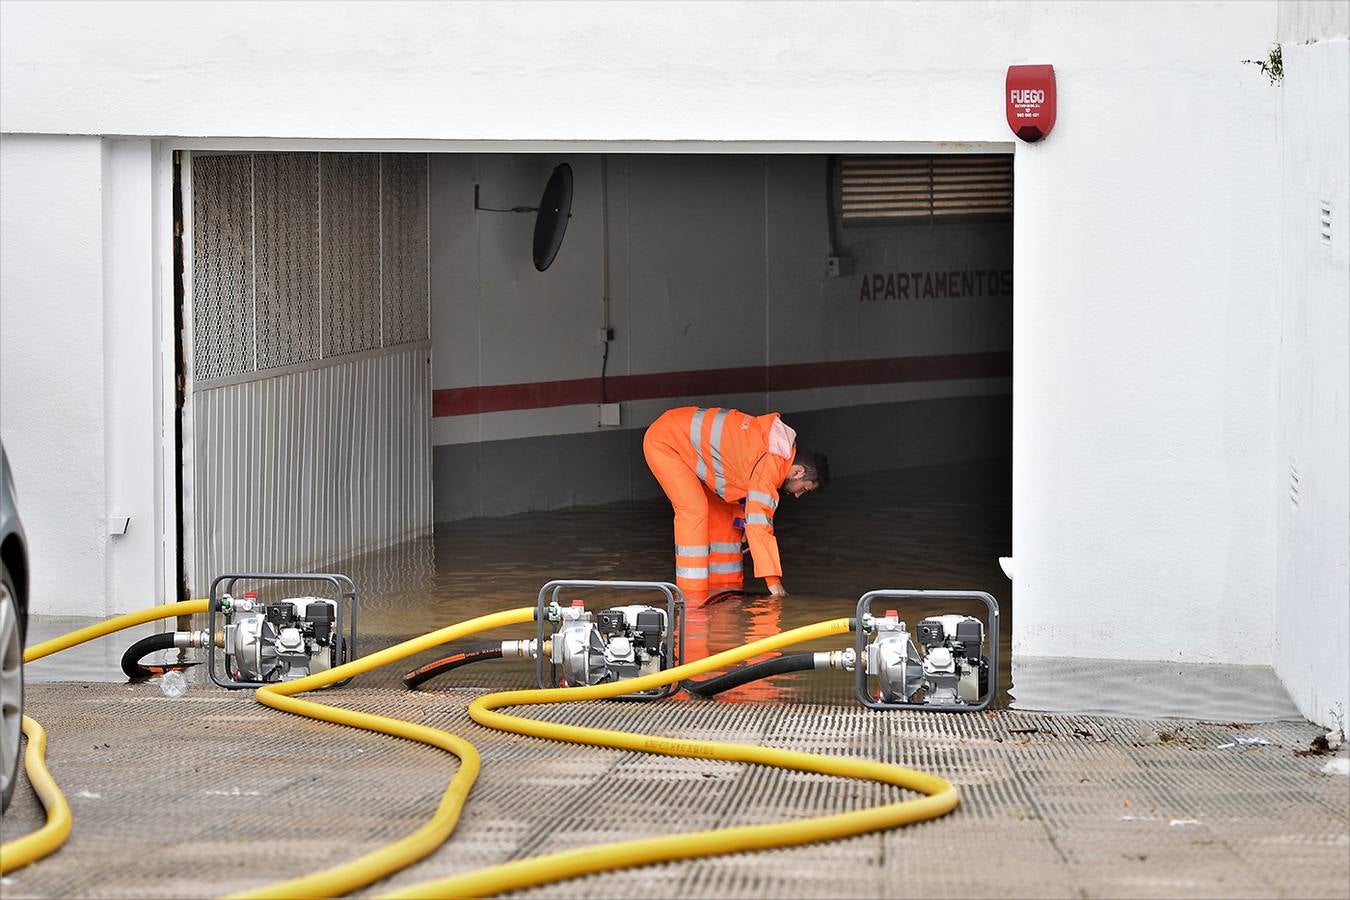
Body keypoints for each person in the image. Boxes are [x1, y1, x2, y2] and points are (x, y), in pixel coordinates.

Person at [643, 406, 829, 605]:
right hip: (666, 441)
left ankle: (725, 591)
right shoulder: (770, 465)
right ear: (799, 472)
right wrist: (774, 583)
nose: (798, 495)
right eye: (804, 489)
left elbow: (742, 483)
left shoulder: (773, 452)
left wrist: (746, 519)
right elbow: (759, 525)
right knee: (694, 511)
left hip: (682, 438)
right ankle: (690, 598)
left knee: (726, 521)